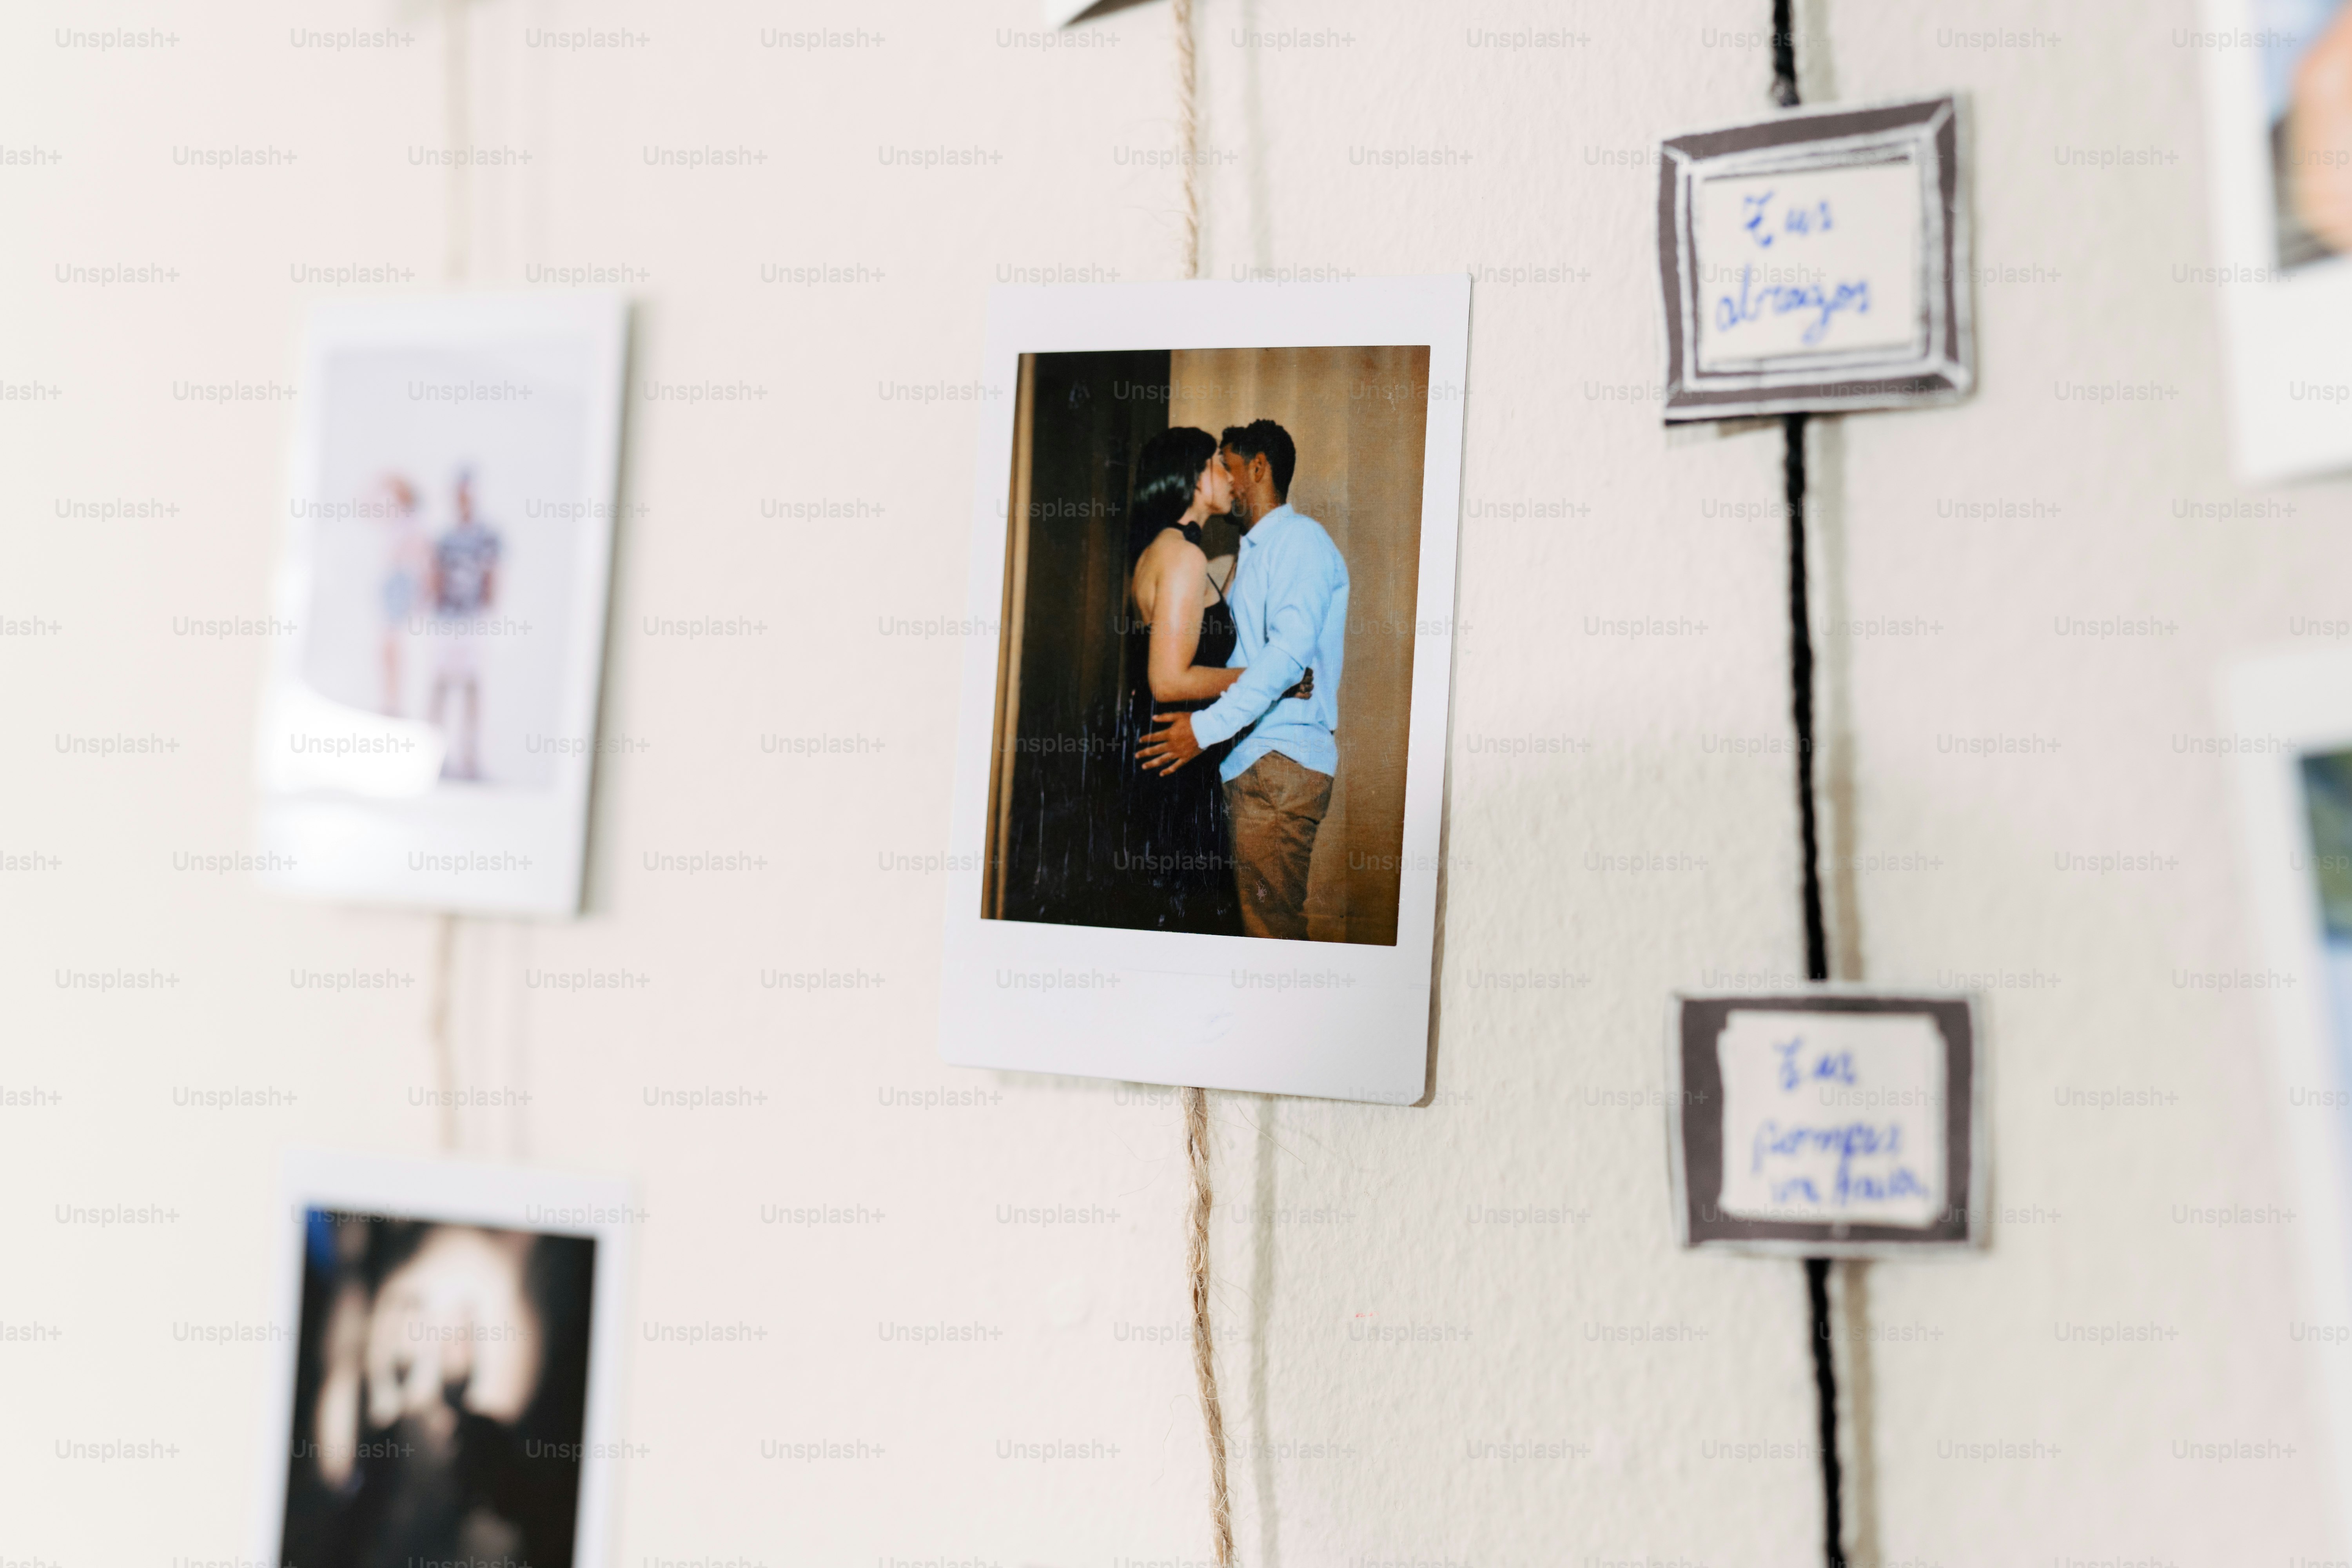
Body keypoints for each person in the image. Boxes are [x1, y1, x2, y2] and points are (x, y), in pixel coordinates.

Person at [1137, 420, 1348, 942]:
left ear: (1259, 469)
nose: (1227, 480)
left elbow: (1285, 660)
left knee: (1267, 939)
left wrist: (1205, 730)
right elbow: (1241, 666)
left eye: (1228, 465)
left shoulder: (1299, 542)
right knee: (1235, 933)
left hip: (1274, 761)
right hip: (1234, 762)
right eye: (1215, 467)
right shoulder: (1231, 558)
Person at [426, 469, 502, 782]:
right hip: (448, 619)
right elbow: (435, 576)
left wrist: (487, 608)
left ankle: (470, 757)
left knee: (472, 685)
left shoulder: (487, 536)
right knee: (441, 685)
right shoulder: (445, 539)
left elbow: (492, 575)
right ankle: (434, 757)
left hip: (471, 620)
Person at [373, 475, 430, 717]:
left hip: (403, 584)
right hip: (393, 582)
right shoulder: (397, 520)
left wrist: (421, 593)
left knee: (396, 646)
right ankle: (390, 700)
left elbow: (421, 558)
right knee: (388, 647)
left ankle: (396, 703)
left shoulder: (414, 523)